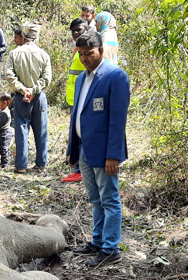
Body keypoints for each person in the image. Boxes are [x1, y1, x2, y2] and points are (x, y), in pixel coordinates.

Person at [68, 31, 129, 267]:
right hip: (84, 149)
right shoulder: (82, 78)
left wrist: (113, 155)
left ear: (101, 51)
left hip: (105, 153)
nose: (85, 58)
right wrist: (72, 148)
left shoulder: (115, 77)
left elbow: (117, 119)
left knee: (109, 199)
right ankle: (97, 240)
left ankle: (111, 249)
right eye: (81, 54)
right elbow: (77, 114)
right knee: (95, 200)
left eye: (89, 53)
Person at [3, 22, 52, 174]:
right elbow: (47, 78)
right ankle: (41, 164)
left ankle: (21, 166)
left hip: (20, 97)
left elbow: (9, 75)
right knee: (41, 130)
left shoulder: (14, 54)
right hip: (38, 97)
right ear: (36, 37)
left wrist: (24, 90)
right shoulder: (43, 54)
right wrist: (33, 90)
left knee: (21, 130)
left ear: (24, 36)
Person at [62, 18, 88, 183]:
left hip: (83, 99)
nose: (77, 33)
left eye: (80, 29)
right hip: (74, 99)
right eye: (74, 31)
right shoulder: (78, 48)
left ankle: (80, 170)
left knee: (81, 134)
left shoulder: (88, 49)